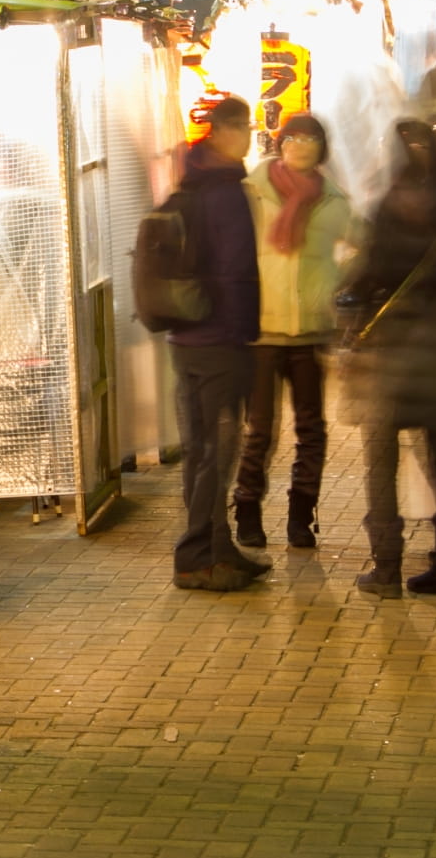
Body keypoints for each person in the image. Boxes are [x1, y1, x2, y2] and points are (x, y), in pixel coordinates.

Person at [344, 120, 436, 600]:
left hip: (393, 356)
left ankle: (386, 569)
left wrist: (349, 295)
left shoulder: (388, 211)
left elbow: (370, 275)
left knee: (381, 461)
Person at [234, 113, 351, 551]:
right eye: (294, 137)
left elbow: (363, 246)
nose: (302, 145)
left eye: (312, 138)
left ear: (324, 146)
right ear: (280, 143)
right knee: (259, 430)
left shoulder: (335, 201)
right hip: (262, 330)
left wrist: (334, 282)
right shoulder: (252, 192)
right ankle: (247, 511)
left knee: (311, 429)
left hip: (311, 331)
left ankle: (302, 517)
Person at [168, 96, 265, 592]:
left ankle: (218, 547)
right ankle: (196, 558)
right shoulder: (223, 189)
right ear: (226, 131)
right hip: (217, 339)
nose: (249, 135)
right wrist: (243, 334)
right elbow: (235, 272)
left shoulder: (190, 178)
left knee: (202, 450)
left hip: (185, 335)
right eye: (244, 126)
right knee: (215, 453)